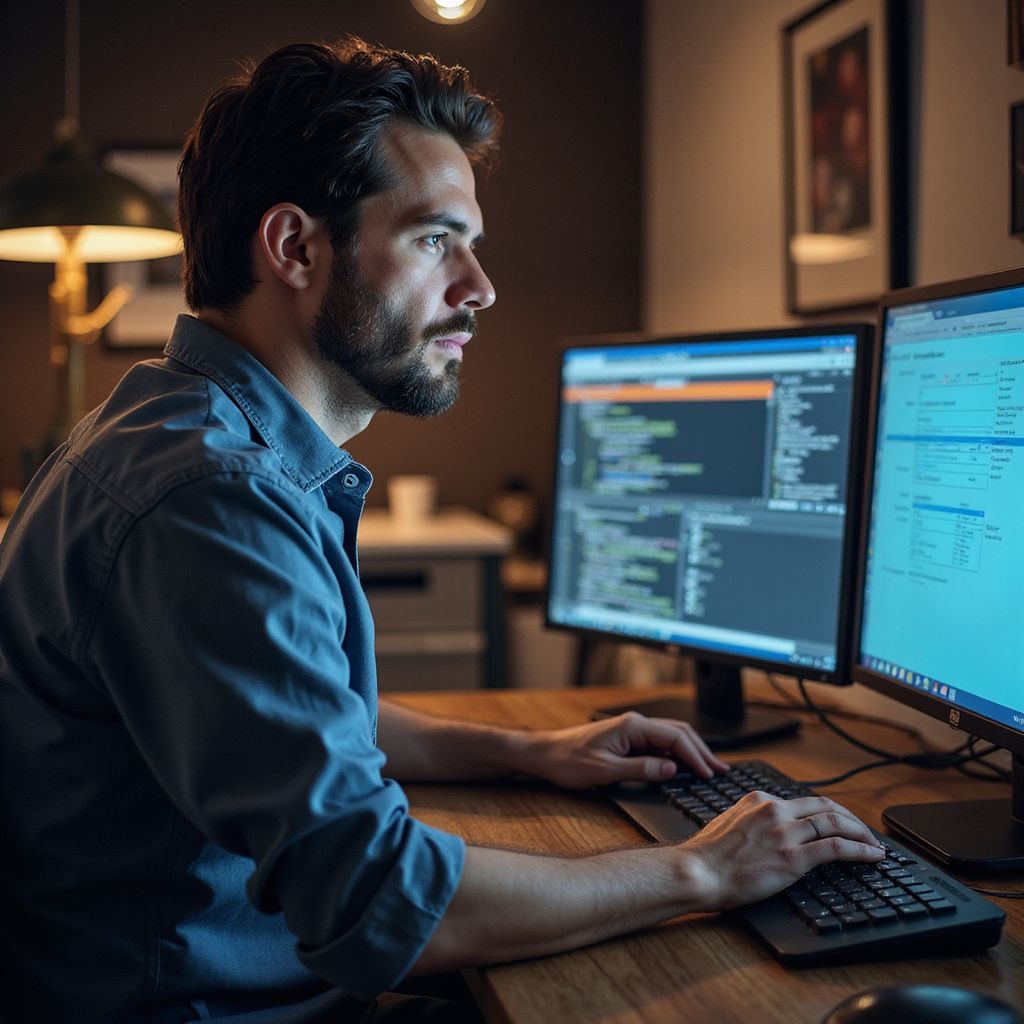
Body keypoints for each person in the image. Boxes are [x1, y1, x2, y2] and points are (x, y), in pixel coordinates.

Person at [0, 38, 885, 1024]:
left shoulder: (167, 431)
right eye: (435, 240)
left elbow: (277, 722)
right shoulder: (212, 497)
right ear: (295, 247)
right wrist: (702, 870)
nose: (480, 286)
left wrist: (524, 754)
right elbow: (383, 901)